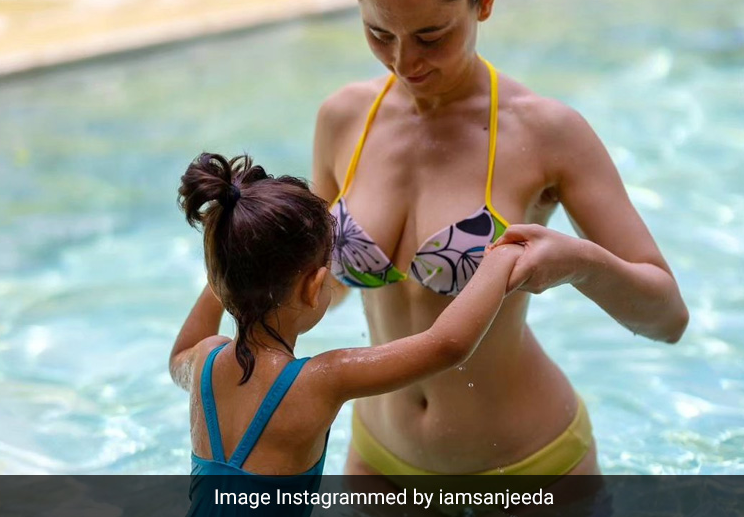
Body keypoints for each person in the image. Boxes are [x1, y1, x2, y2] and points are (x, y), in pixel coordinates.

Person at [311, 0, 690, 480]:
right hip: (378, 458)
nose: (407, 62)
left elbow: (667, 318)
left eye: (432, 35)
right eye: (379, 34)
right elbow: (320, 297)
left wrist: (578, 262)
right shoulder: (344, 119)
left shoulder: (543, 132)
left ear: (483, 0)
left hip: (528, 464)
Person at [168, 152, 524, 512]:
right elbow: (447, 345)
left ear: (217, 278)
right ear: (316, 286)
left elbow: (177, 357)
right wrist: (501, 258)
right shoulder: (321, 380)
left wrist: (229, 269)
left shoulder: (205, 362)